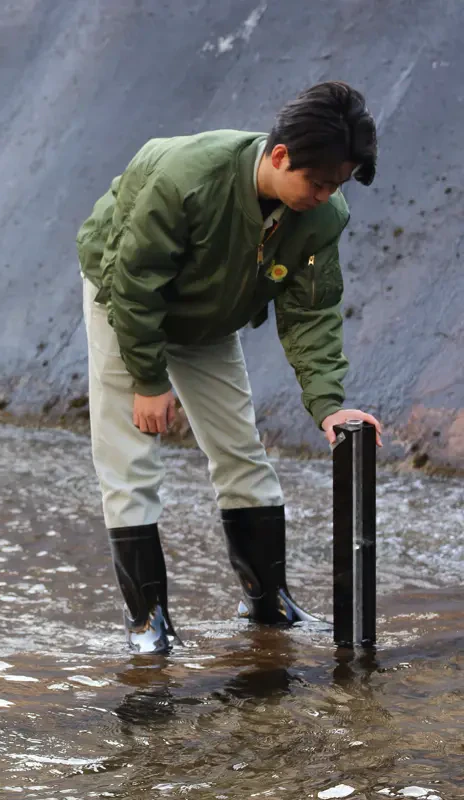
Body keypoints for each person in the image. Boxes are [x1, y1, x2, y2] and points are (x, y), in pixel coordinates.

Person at [76, 81, 383, 655]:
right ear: (280, 155)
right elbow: (136, 283)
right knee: (129, 458)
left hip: (211, 315)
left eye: (337, 186)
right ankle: (148, 624)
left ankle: (268, 603)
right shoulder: (185, 178)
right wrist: (149, 381)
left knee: (240, 448)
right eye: (318, 183)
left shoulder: (321, 217)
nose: (325, 196)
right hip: (124, 300)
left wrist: (328, 404)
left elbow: (312, 310)